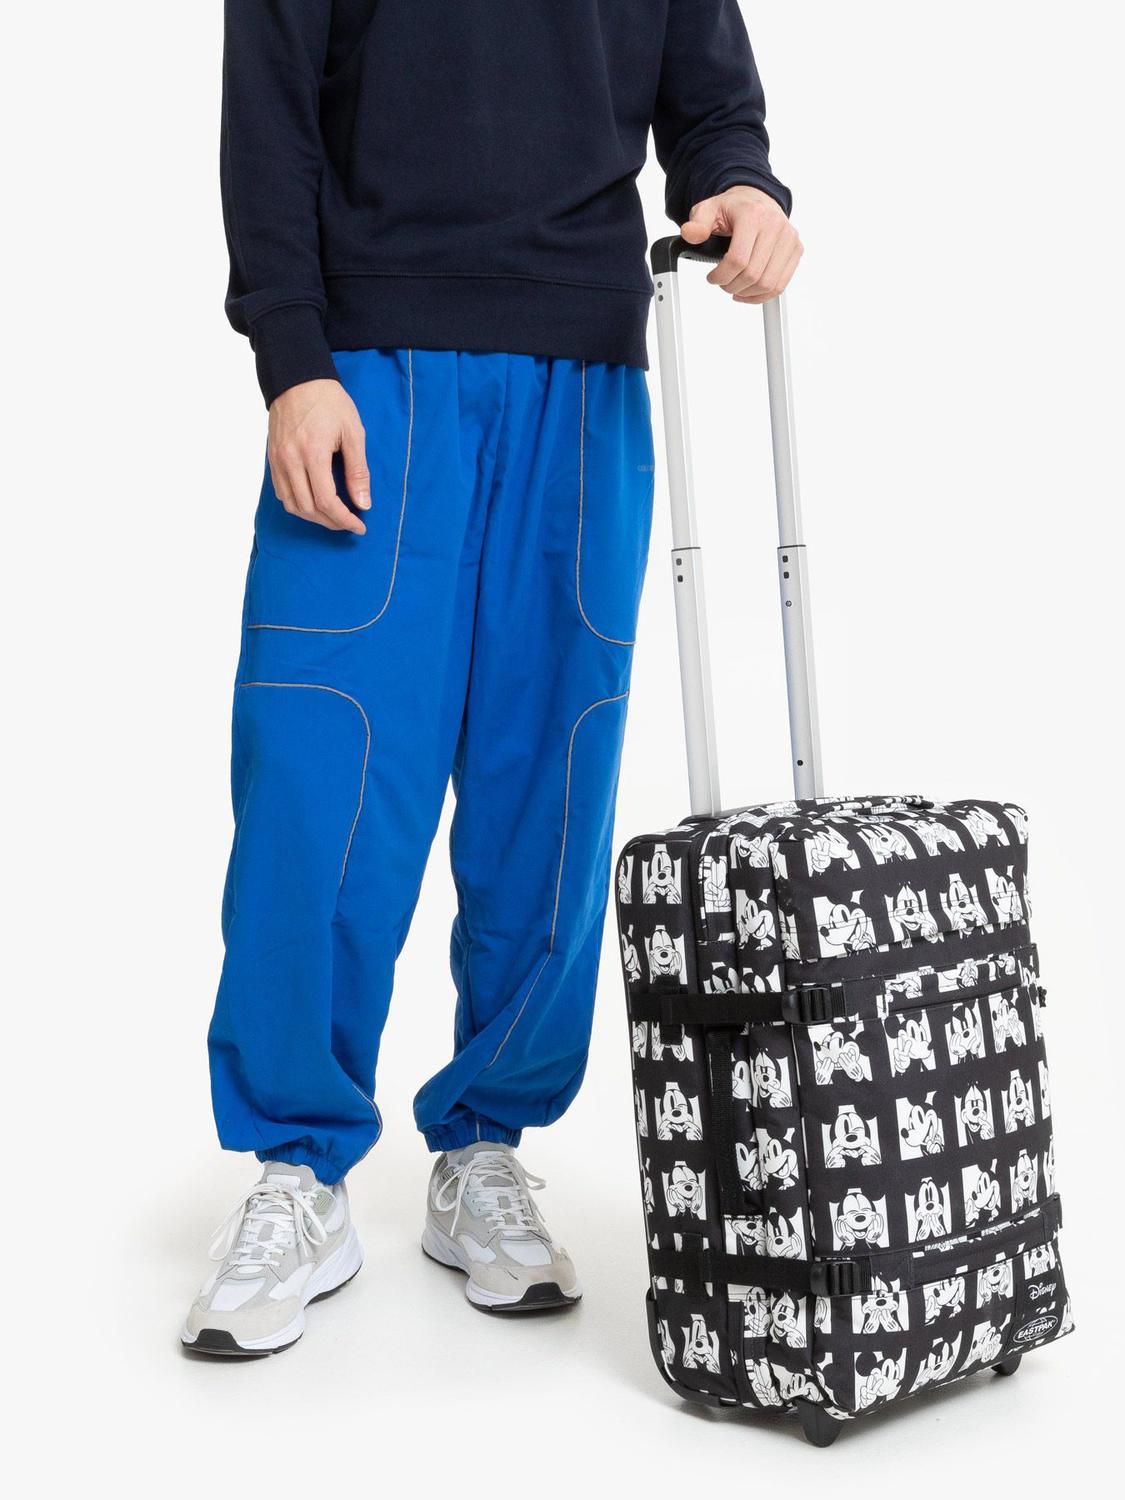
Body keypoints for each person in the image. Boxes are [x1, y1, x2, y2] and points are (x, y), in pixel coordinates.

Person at [182, 0, 800, 1357]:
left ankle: (485, 1146)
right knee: (322, 779)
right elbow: (269, 110)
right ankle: (297, 1165)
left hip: (583, 368)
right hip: (369, 363)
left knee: (550, 785)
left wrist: (743, 187)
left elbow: (709, 97)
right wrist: (291, 360)